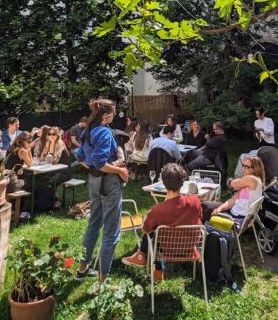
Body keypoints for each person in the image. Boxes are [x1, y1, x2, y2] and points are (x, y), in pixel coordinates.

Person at [75, 99, 129, 282]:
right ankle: (102, 280)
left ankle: (82, 270)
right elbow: (100, 162)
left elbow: (80, 157)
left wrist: (93, 169)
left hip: (93, 181)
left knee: (93, 225)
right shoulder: (105, 133)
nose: (115, 116)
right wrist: (120, 170)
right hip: (108, 183)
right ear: (106, 115)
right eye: (114, 113)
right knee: (111, 231)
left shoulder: (87, 130)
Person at [122, 163, 203, 280]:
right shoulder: (195, 201)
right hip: (190, 247)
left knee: (153, 229)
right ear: (182, 183)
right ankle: (150, 263)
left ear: (164, 185)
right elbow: (200, 217)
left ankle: (147, 260)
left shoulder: (158, 209)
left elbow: (146, 230)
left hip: (166, 249)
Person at [202, 155, 264, 222]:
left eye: (247, 167)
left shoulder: (251, 179)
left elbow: (232, 184)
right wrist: (219, 209)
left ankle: (201, 229)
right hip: (236, 212)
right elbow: (232, 200)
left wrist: (230, 180)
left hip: (235, 217)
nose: (244, 169)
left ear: (256, 169)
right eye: (243, 165)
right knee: (206, 205)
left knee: (204, 206)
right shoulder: (255, 180)